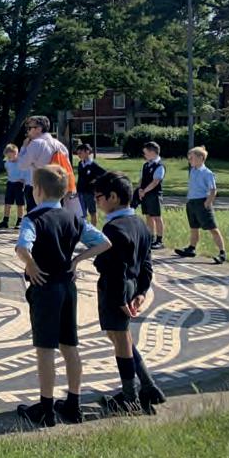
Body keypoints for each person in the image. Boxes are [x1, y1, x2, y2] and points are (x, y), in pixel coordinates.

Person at [14, 165, 110, 428]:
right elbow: (104, 242)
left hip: (44, 288)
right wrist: (77, 259)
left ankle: (46, 409)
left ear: (38, 190)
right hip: (68, 287)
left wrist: (31, 264)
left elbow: (22, 247)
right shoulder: (73, 218)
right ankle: (73, 404)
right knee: (70, 345)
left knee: (45, 348)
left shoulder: (33, 219)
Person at [80, 171, 166, 416]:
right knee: (120, 336)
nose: (96, 201)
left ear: (114, 197)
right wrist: (142, 291)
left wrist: (118, 299)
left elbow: (112, 267)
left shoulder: (113, 228)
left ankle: (130, 398)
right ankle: (148, 386)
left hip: (115, 288)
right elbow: (147, 262)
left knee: (120, 340)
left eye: (99, 197)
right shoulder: (140, 223)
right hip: (132, 285)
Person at [17, 115, 80, 216]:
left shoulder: (36, 143)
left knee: (37, 219)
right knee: (56, 217)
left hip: (39, 188)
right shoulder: (60, 145)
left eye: (29, 128)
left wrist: (24, 147)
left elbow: (21, 165)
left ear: (39, 129)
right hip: (58, 188)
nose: (27, 131)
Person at [175, 146, 228, 264]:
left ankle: (222, 253)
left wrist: (207, 203)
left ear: (200, 158)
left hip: (202, 202)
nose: (189, 160)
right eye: (189, 158)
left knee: (212, 228)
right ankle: (191, 248)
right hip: (192, 202)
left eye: (191, 158)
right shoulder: (193, 171)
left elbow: (213, 190)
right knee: (194, 227)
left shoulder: (207, 173)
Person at [133, 142, 165, 250]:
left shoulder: (159, 166)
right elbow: (142, 179)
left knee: (157, 217)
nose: (144, 155)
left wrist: (144, 191)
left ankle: (159, 240)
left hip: (154, 194)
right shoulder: (146, 165)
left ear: (152, 152)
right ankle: (150, 238)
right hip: (145, 194)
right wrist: (139, 189)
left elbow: (155, 181)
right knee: (148, 216)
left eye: (145, 152)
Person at [0, 144, 27, 229]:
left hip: (19, 184)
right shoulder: (7, 163)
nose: (9, 158)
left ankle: (19, 221)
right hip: (10, 183)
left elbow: (25, 173)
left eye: (10, 156)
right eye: (7, 157)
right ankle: (5, 221)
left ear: (16, 153)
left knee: (20, 203)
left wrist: (23, 180)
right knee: (7, 203)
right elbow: (8, 172)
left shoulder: (22, 162)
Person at [75, 143, 106, 227]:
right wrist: (77, 190)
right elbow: (80, 178)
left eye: (80, 153)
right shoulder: (80, 164)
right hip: (81, 192)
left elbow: (104, 174)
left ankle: (93, 228)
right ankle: (83, 229)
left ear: (87, 152)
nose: (78, 155)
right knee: (82, 213)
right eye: (77, 153)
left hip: (90, 192)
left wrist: (96, 180)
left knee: (92, 212)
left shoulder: (93, 165)